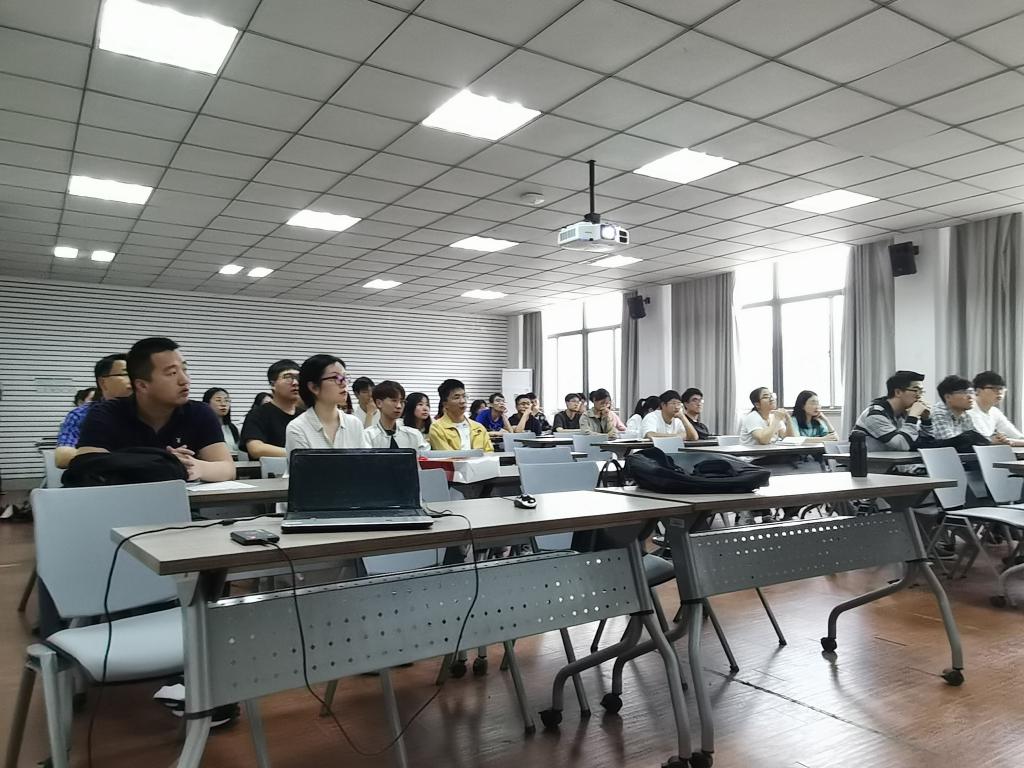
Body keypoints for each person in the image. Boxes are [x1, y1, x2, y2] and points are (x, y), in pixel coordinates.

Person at [75, 337, 235, 481]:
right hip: (121, 501)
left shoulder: (199, 412)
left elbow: (227, 469)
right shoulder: (106, 413)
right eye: (172, 373)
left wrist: (194, 466)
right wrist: (163, 461)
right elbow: (86, 464)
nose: (185, 380)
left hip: (181, 500)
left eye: (184, 370)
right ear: (142, 385)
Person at [55, 353, 132, 468]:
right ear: (103, 383)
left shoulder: (150, 411)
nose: (135, 379)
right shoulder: (82, 414)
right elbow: (62, 457)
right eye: (126, 374)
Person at [285, 355, 364, 455]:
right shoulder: (298, 428)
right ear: (314, 387)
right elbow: (302, 465)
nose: (344, 384)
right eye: (335, 377)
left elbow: (365, 461)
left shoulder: (354, 423)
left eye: (344, 377)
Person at [851, 370, 932, 451]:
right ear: (898, 392)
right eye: (916, 390)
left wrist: (926, 420)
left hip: (896, 458)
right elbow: (903, 445)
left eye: (921, 391)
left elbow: (923, 443)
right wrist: (912, 417)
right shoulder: (875, 415)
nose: (919, 396)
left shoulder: (903, 413)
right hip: (871, 459)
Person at [240, 360, 302, 459]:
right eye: (288, 378)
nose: (295, 383)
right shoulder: (258, 414)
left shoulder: (305, 415)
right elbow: (256, 449)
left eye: (298, 378)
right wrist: (300, 454)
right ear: (273, 384)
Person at [429, 378, 493, 451]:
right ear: (445, 404)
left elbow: (489, 453)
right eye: (457, 397)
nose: (462, 401)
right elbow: (447, 455)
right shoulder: (437, 428)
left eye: (464, 396)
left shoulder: (478, 427)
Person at [363, 380, 428, 449]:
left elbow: (426, 453)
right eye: (394, 401)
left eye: (402, 401)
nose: (399, 406)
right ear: (379, 403)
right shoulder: (368, 436)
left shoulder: (414, 434)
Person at [970, 371, 1024, 446]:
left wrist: (1007, 440)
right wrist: (1002, 440)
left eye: (1001, 388)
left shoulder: (995, 412)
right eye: (993, 388)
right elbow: (986, 440)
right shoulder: (970, 410)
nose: (999, 392)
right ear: (977, 391)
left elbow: (1017, 436)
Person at [931, 375, 990, 442]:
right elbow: (950, 442)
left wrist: (990, 440)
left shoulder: (965, 416)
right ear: (948, 397)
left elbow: (977, 439)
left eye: (971, 392)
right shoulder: (938, 414)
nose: (970, 397)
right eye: (964, 392)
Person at [202, 387, 239, 452]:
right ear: (207, 403)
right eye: (218, 400)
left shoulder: (232, 428)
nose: (223, 404)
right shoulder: (201, 427)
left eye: (226, 400)